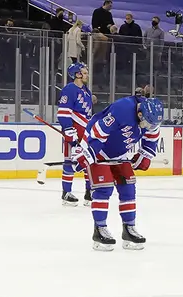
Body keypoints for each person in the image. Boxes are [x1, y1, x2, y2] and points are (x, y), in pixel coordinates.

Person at [71, 96, 163, 251]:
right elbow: (98, 131)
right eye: (147, 122)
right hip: (98, 147)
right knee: (104, 187)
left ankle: (129, 229)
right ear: (140, 113)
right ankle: (99, 230)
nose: (148, 126)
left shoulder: (151, 117)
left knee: (128, 187)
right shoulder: (122, 109)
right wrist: (88, 153)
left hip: (119, 152)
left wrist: (145, 154)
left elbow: (152, 137)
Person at [57, 63, 93, 207]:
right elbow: (63, 113)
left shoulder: (86, 90)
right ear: (77, 74)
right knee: (70, 162)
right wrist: (69, 131)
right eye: (84, 72)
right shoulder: (69, 90)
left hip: (86, 132)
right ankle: (66, 193)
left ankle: (89, 192)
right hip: (74, 132)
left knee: (88, 160)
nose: (87, 75)